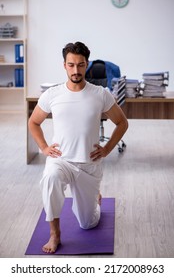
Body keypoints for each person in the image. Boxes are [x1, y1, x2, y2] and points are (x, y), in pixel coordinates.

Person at [28, 41, 128, 253]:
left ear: (87, 64)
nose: (76, 70)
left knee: (87, 223)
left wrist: (108, 148)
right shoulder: (52, 95)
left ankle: (95, 198)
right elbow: (33, 122)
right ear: (64, 65)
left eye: (80, 65)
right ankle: (55, 234)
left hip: (89, 165)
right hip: (61, 160)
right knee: (50, 178)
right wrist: (44, 147)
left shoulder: (100, 94)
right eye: (71, 65)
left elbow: (122, 123)